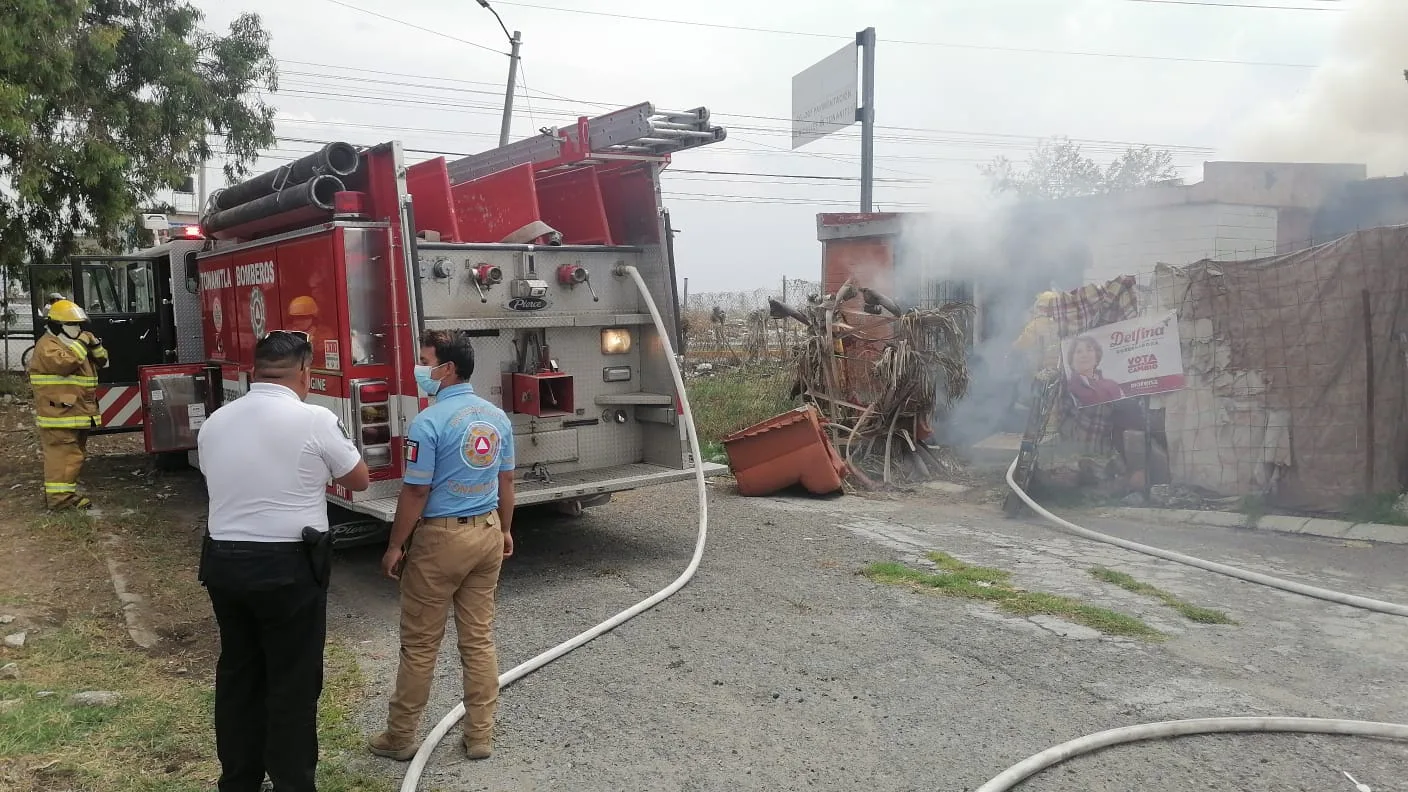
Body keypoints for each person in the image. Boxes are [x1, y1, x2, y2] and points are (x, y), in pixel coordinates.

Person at [197, 330, 370, 792]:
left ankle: (238, 781)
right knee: (291, 683)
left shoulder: (216, 421)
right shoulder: (314, 418)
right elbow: (359, 480)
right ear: (305, 372)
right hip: (287, 569)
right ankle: (293, 784)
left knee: (239, 674)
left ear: (255, 371)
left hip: (224, 564)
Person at [369, 330, 515, 763]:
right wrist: (505, 529)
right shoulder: (496, 417)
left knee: (419, 645)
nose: (420, 368)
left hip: (440, 539)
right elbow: (506, 481)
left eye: (424, 359)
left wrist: (395, 546)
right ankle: (479, 735)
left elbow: (415, 493)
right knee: (479, 640)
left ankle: (400, 738)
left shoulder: (428, 422)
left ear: (446, 369)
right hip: (487, 532)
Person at [27, 299, 108, 510]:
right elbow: (66, 363)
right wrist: (82, 342)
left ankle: (66, 496)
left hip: (75, 412)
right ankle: (60, 502)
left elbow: (104, 361)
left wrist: (95, 345)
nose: (78, 330)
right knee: (63, 458)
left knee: (72, 457)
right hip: (59, 414)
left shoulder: (71, 344)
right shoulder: (48, 346)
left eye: (80, 325)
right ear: (56, 325)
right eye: (72, 325)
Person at [1065, 334, 1125, 407]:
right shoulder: (1066, 388)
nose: (1084, 355)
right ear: (1071, 361)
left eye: (1089, 350)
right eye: (1079, 352)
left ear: (1097, 357)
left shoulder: (1113, 385)